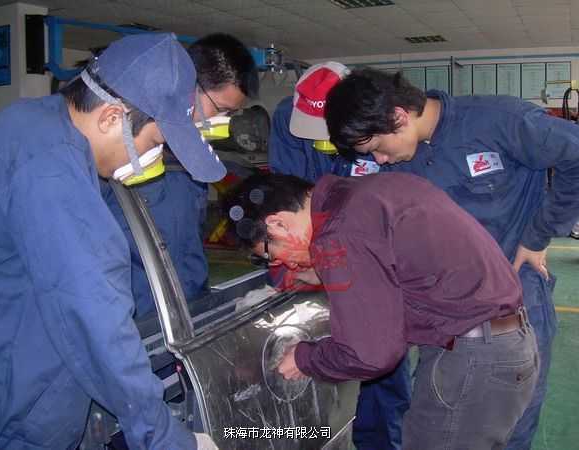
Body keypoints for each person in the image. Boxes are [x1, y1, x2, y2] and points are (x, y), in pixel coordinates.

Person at [0, 33, 222, 449]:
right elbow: (95, 314)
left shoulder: (34, 126)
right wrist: (167, 439)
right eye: (154, 143)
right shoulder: (51, 170)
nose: (153, 158)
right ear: (111, 118)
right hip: (10, 414)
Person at [324, 68, 579, 449]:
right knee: (438, 420)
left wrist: (538, 233)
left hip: (516, 304)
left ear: (399, 116)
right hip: (441, 320)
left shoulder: (499, 121)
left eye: (377, 147)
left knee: (512, 428)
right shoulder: (399, 161)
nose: (379, 159)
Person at [225, 172, 538, 450]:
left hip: (473, 362)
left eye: (272, 253)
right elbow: (398, 265)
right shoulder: (367, 195)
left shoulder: (338, 233)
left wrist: (304, 359)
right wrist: (325, 273)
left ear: (278, 223)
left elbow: (370, 354)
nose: (283, 263)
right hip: (502, 348)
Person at [268, 62, 407, 450]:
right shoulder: (288, 119)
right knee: (309, 376)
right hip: (309, 264)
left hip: (369, 270)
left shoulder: (373, 123)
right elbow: (285, 197)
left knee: (380, 368)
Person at [101, 33, 259, 317]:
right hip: (140, 317)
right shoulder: (123, 156)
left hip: (185, 309)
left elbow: (187, 244)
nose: (221, 122)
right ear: (188, 86)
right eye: (221, 110)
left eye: (230, 114)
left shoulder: (191, 163)